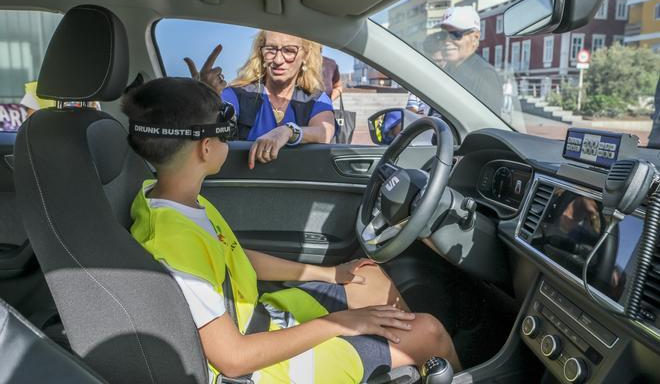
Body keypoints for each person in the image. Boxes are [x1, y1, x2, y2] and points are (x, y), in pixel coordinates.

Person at [122, 77, 460, 384]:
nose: (233, 136)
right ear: (205, 147)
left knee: (364, 276)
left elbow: (235, 257)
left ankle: (395, 348)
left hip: (261, 314)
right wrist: (344, 323)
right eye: (226, 131)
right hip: (261, 368)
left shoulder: (172, 199)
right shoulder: (173, 243)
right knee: (429, 333)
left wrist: (329, 273)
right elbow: (234, 359)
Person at [185, 32, 336, 169]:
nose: (277, 60)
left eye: (289, 50)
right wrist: (205, 96)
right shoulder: (239, 93)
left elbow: (324, 132)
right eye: (271, 49)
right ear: (261, 52)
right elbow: (218, 115)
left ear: (305, 55)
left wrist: (288, 131)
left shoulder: (315, 99)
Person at [423, 6, 503, 114]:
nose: (447, 41)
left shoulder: (484, 75)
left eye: (456, 34)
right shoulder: (449, 69)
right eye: (443, 35)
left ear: (475, 38)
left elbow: (486, 124)